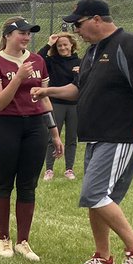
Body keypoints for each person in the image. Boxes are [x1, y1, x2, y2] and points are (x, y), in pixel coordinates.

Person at [34, 0, 133, 264]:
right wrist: (49, 92)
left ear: (96, 19)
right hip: (96, 136)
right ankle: (103, 257)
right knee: (99, 199)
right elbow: (78, 90)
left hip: (119, 135)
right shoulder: (94, 52)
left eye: (78, 24)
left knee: (94, 194)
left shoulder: (130, 44)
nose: (76, 31)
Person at [0, 18, 63, 261]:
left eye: (29, 34)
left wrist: (55, 133)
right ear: (7, 35)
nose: (26, 37)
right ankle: (4, 239)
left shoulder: (38, 61)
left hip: (35, 126)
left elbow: (44, 97)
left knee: (28, 185)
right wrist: (17, 78)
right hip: (4, 126)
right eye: (22, 33)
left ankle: (23, 242)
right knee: (4, 182)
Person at [38, 33, 82, 180]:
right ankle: (49, 169)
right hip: (55, 104)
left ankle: (69, 169)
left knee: (71, 138)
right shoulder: (51, 61)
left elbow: (82, 83)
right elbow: (37, 59)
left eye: (65, 44)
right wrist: (49, 43)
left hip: (74, 106)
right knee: (52, 137)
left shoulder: (80, 62)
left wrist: (79, 74)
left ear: (72, 45)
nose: (63, 47)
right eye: (59, 45)